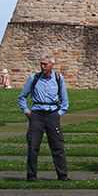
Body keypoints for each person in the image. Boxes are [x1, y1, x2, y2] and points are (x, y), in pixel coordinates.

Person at [18, 54, 70, 182]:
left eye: (45, 64)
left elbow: (64, 99)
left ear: (52, 65)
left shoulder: (58, 78)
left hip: (52, 113)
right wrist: (27, 112)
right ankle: (31, 176)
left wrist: (59, 113)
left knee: (57, 146)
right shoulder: (33, 78)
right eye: (41, 64)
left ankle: (62, 175)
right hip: (37, 113)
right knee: (33, 146)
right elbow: (22, 97)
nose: (42, 66)